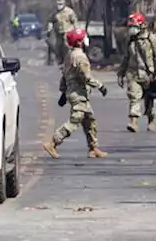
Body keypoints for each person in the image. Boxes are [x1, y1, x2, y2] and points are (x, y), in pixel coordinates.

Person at [43, 28, 109, 160]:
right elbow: (86, 77)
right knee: (75, 120)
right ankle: (53, 142)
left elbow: (65, 75)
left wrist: (63, 92)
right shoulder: (80, 57)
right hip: (78, 94)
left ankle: (93, 148)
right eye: (84, 38)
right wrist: (100, 86)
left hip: (75, 93)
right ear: (79, 42)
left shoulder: (69, 55)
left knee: (90, 120)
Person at [116, 12, 156, 133]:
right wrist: (120, 73)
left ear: (142, 25)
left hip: (149, 75)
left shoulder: (151, 38)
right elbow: (126, 57)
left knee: (150, 100)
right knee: (134, 97)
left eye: (134, 26)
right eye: (130, 26)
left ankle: (151, 121)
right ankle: (133, 122)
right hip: (133, 74)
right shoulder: (130, 39)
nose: (132, 29)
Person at [45, 0, 79, 65]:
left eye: (61, 4)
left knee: (66, 46)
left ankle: (69, 61)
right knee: (58, 47)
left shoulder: (69, 11)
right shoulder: (55, 13)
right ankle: (61, 61)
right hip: (59, 33)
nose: (59, 6)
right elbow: (51, 21)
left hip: (68, 32)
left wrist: (76, 30)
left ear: (64, 4)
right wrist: (49, 29)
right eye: (58, 4)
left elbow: (74, 21)